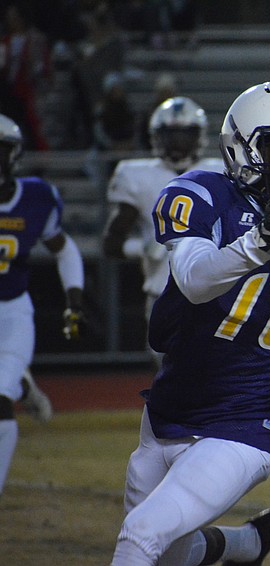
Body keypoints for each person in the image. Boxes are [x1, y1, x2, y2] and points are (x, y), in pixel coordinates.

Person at [110, 81, 270, 565]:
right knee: (170, 553)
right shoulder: (206, 193)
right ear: (241, 149)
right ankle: (244, 545)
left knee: (139, 536)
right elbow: (192, 279)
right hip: (167, 412)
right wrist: (260, 242)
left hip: (246, 421)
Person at [0, 113, 85, 496]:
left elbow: (63, 248)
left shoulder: (35, 198)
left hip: (12, 312)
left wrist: (74, 299)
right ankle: (22, 382)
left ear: (14, 155)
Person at [102, 96, 222, 369]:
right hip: (164, 291)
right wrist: (144, 248)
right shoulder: (137, 175)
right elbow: (111, 243)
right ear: (157, 137)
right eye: (171, 135)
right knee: (172, 372)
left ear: (199, 136)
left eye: (185, 134)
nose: (178, 142)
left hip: (217, 288)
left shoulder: (220, 171)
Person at [0, 3, 52, 151]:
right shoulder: (6, 41)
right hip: (10, 92)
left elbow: (41, 65)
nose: (11, 21)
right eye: (9, 18)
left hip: (29, 88)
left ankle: (41, 155)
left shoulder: (34, 39)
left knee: (32, 124)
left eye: (14, 18)